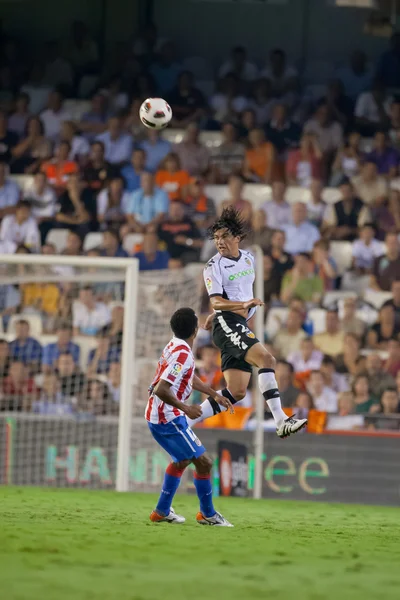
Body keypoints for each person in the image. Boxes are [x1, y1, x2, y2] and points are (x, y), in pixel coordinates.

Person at [190, 208, 307, 437]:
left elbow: (235, 293)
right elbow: (216, 301)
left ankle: (185, 423)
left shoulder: (249, 258)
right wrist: (237, 307)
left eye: (224, 236)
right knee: (267, 358)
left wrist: (225, 312)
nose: (219, 242)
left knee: (237, 391)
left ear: (237, 237)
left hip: (236, 324)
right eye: (216, 238)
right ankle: (281, 420)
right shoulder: (213, 266)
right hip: (229, 323)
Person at [146, 307, 233, 526]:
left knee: (182, 460)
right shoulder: (183, 353)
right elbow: (161, 389)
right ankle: (208, 514)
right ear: (195, 330)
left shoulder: (175, 345)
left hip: (160, 414)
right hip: (168, 418)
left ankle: (162, 511)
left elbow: (187, 376)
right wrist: (186, 408)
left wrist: (214, 394)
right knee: (204, 463)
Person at [157, 200, 203, 266]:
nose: (175, 212)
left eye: (178, 209)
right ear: (169, 211)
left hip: (187, 256)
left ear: (183, 210)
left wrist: (186, 241)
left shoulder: (190, 223)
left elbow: (200, 243)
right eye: (173, 209)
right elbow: (156, 243)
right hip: (167, 256)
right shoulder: (162, 225)